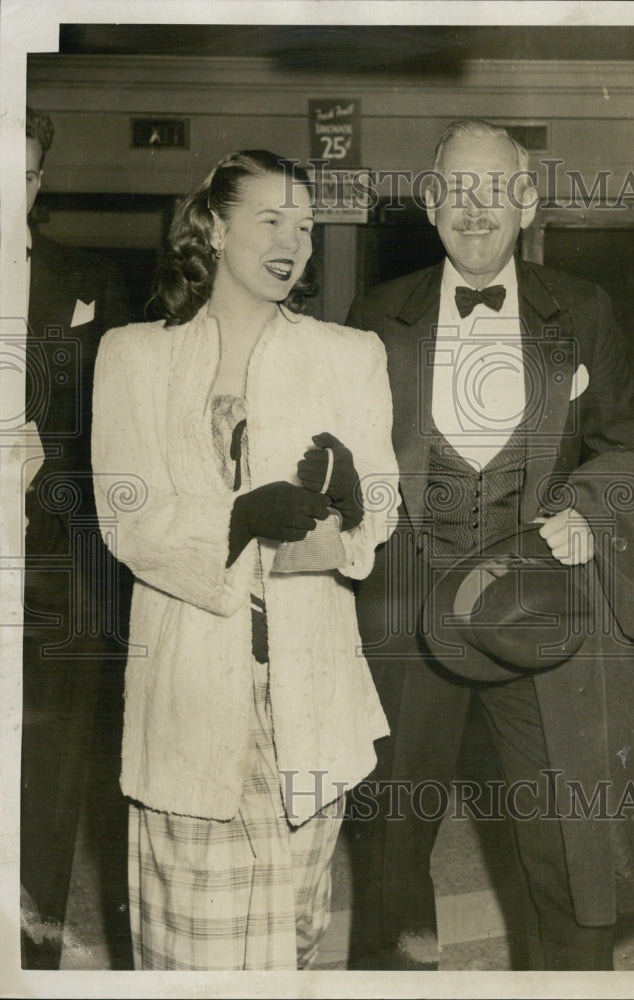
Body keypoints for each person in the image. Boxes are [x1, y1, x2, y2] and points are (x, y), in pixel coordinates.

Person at [343, 118, 634, 971]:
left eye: (496, 189)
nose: (476, 209)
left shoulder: (581, 307)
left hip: (544, 612)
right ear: (429, 203)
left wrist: (591, 506)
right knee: (392, 844)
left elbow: (625, 450)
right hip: (406, 620)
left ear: (528, 201)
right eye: (457, 190)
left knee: (569, 840)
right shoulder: (375, 312)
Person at [90, 149, 399, 971]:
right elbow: (128, 518)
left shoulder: (348, 353)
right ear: (217, 226)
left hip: (314, 696)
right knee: (198, 947)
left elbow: (378, 503)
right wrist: (238, 521)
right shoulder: (133, 355)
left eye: (305, 226)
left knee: (293, 940)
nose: (293, 242)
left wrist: (349, 512)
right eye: (271, 220)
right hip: (190, 694)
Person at [21, 106, 132, 969]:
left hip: (55, 575)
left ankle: (31, 965)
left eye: (23, 176)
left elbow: (112, 447)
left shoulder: (91, 283)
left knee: (47, 792)